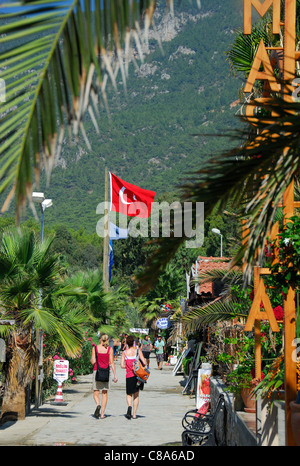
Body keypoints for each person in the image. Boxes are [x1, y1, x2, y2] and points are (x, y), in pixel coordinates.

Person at [90, 334, 118, 419]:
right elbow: (112, 362)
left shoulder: (95, 348)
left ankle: (98, 405)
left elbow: (93, 361)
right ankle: (102, 414)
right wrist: (115, 375)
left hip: (97, 371)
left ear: (100, 339)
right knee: (104, 393)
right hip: (106, 372)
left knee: (96, 391)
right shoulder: (109, 349)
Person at [120, 334, 146, 419]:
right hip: (137, 376)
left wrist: (128, 366)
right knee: (136, 395)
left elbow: (122, 365)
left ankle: (129, 406)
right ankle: (134, 414)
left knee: (129, 394)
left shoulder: (124, 353)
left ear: (127, 343)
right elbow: (144, 362)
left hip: (129, 376)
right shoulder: (138, 351)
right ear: (134, 342)